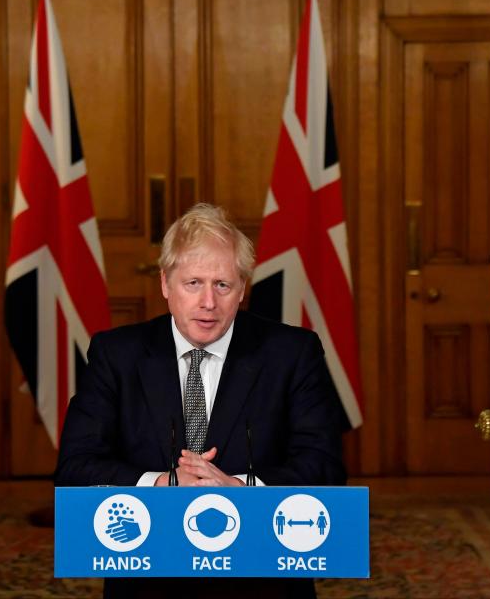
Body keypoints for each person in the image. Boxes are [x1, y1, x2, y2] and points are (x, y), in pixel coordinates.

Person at [55, 203, 347, 598]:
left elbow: (325, 466)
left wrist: (242, 488)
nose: (208, 302)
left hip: (262, 573)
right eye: (193, 283)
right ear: (165, 284)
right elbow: (75, 467)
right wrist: (161, 485)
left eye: (222, 285)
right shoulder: (117, 355)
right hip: (148, 573)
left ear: (242, 288)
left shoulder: (292, 353)